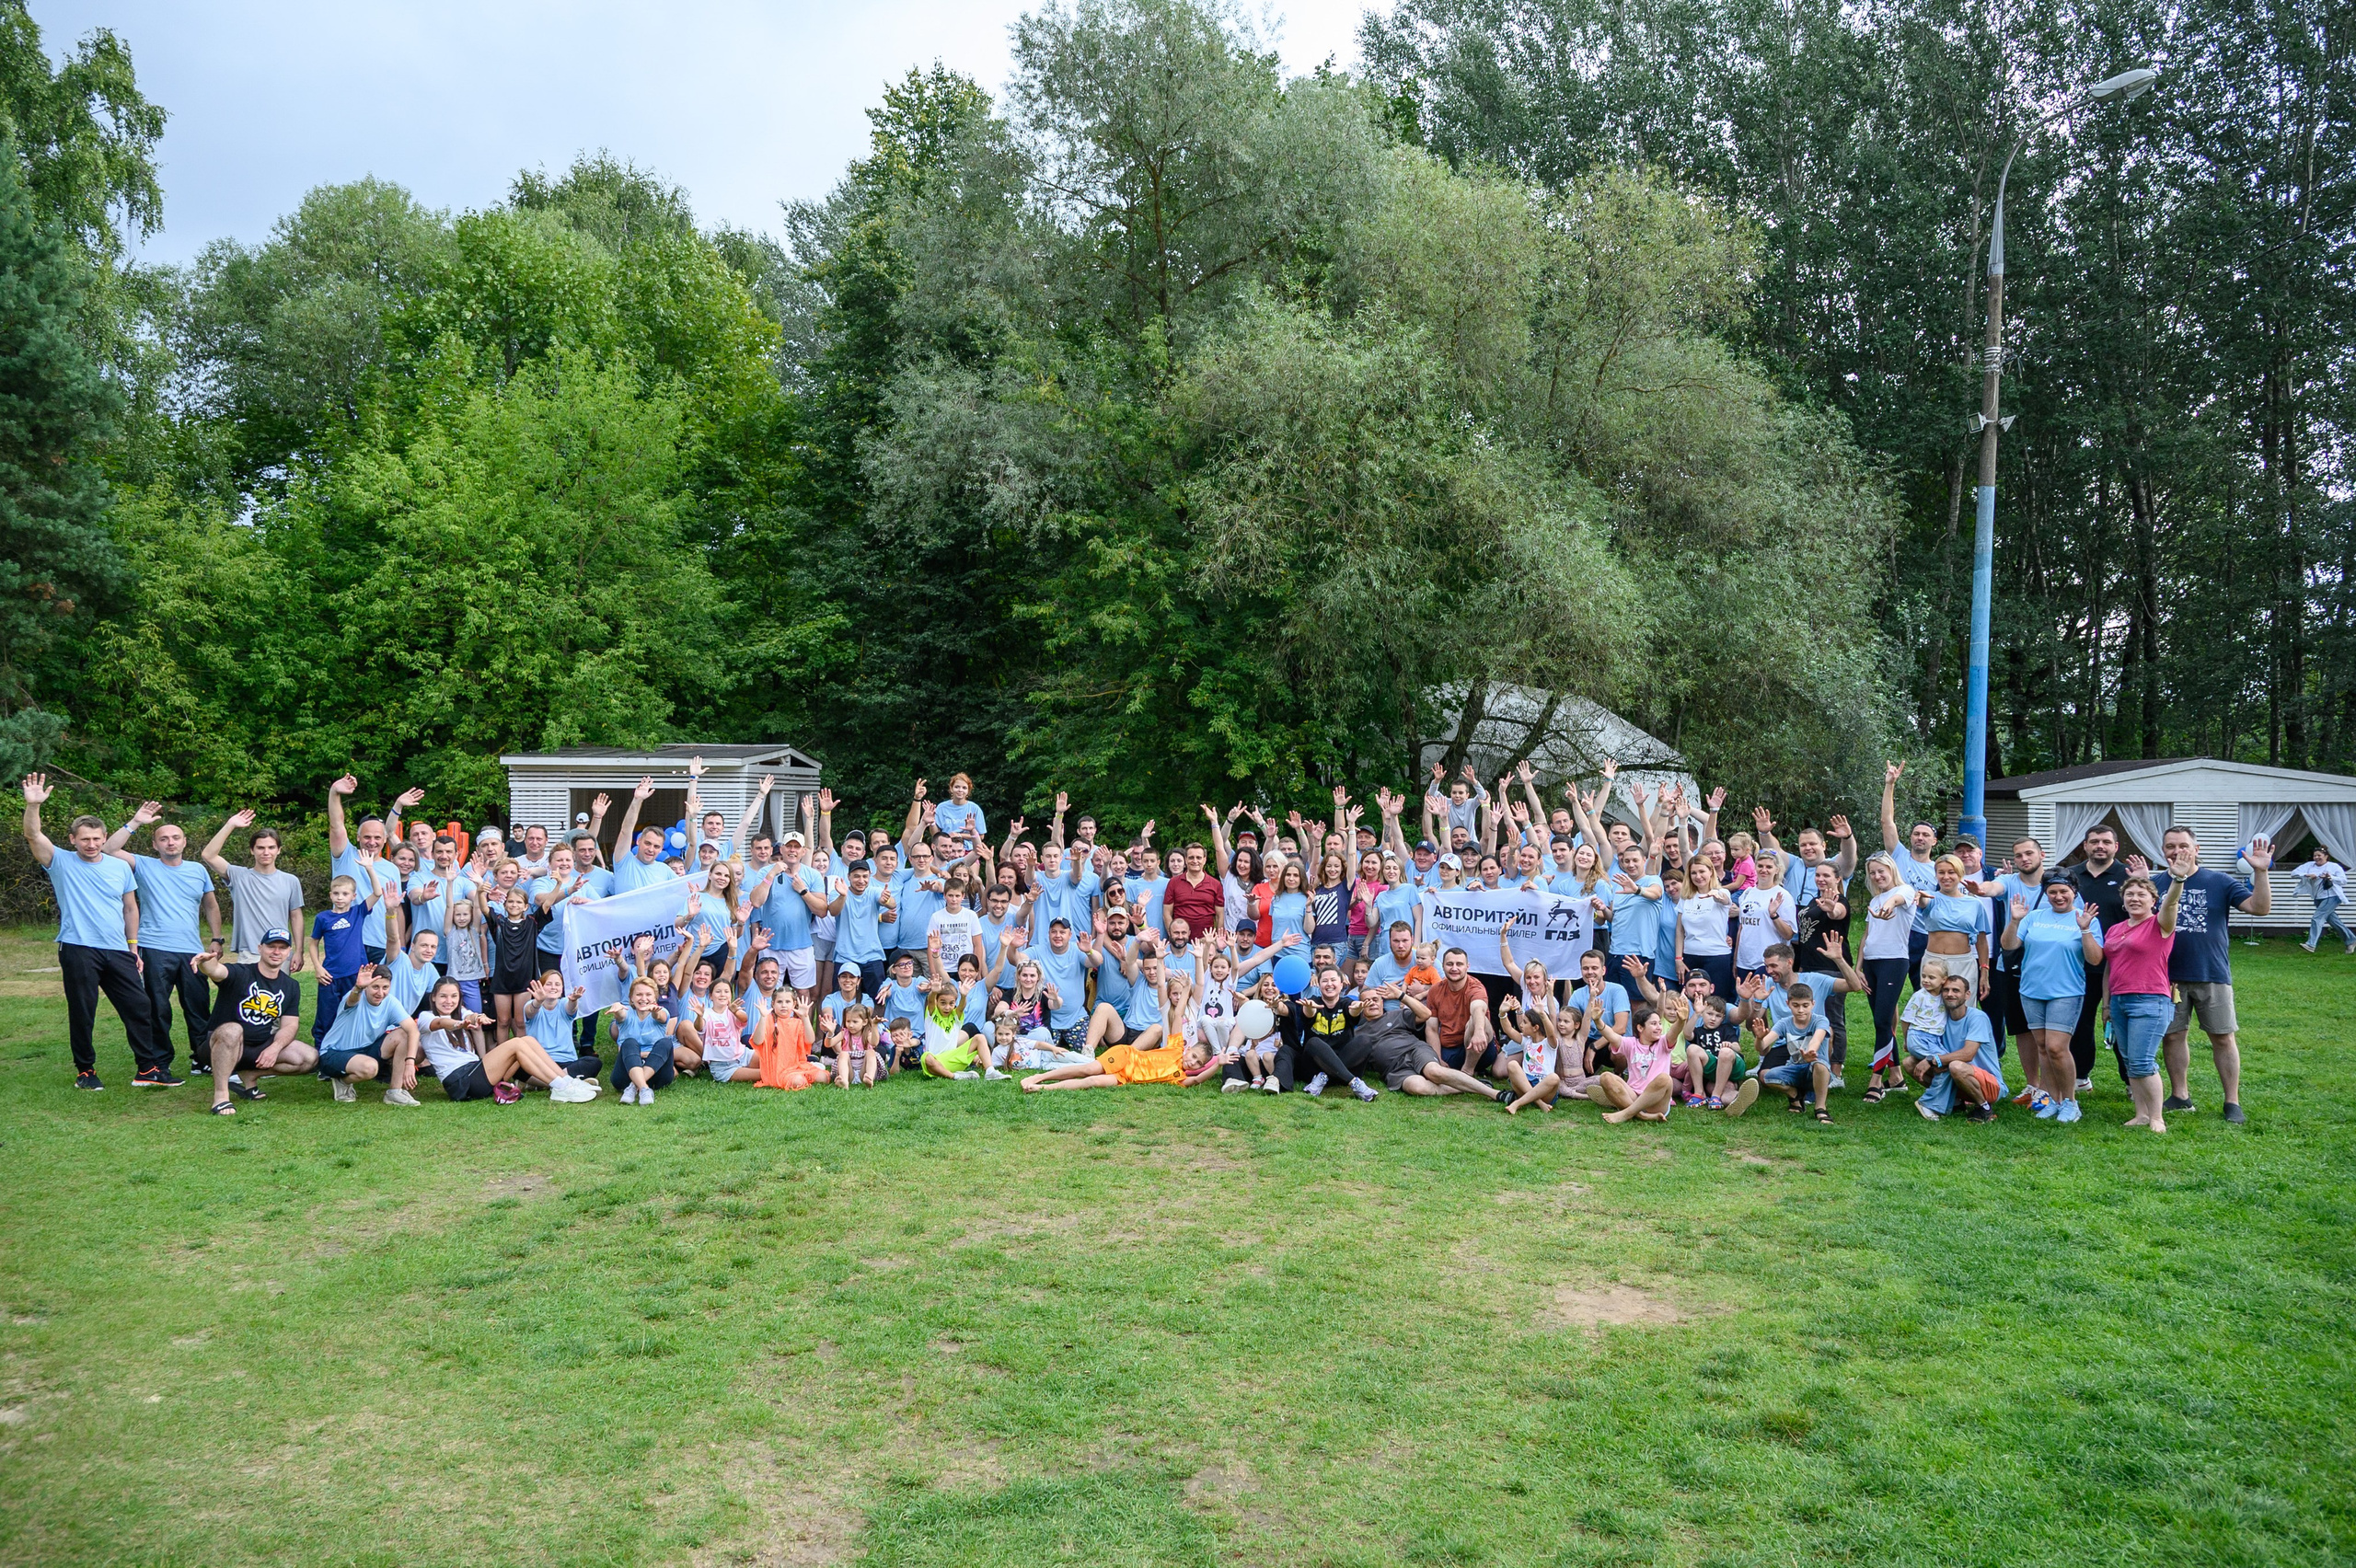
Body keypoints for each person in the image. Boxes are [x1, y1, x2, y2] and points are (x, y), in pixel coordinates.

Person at [22, 775, 174, 1090]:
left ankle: (146, 1070)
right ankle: (86, 1072)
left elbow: (130, 908)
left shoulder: (119, 867)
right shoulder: (60, 861)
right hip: (78, 947)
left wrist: (133, 947)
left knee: (139, 1005)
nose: (91, 844)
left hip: (118, 949)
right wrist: (33, 805)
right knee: (83, 1010)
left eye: (96, 839)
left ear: (105, 838)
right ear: (73, 839)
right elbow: (33, 834)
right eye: (84, 839)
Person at [2150, 827, 2270, 1125]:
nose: (2177, 851)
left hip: (2211, 972)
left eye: (2183, 845)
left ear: (2197, 848)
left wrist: (2261, 873)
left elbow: (2260, 908)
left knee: (2222, 1037)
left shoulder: (2219, 881)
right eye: (2170, 846)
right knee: (2173, 1035)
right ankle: (2180, 1096)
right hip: (2167, 976)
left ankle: (2232, 1101)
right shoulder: (2155, 884)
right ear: (2163, 850)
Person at [104, 800, 222, 1076]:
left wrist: (217, 939)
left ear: (184, 842)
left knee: (198, 1008)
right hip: (154, 948)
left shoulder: (198, 870)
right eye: (164, 839)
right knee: (157, 1009)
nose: (170, 843)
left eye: (176, 838)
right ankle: (160, 1061)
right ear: (155, 845)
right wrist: (135, 822)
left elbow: (211, 905)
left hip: (192, 951)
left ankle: (202, 1058)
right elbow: (109, 849)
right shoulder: (143, 866)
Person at [2000, 875, 2103, 1124]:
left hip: (2066, 992)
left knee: (2057, 1048)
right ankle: (2053, 1100)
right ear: (2046, 893)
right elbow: (2009, 945)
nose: (2058, 896)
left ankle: (2070, 1102)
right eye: (2053, 892)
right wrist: (2015, 921)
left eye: (2064, 891)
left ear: (2074, 892)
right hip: (2031, 990)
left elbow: (2095, 959)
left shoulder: (2084, 918)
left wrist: (2085, 928)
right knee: (2044, 1048)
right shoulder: (2034, 917)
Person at [191, 929, 310, 1114]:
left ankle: (250, 1075)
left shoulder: (290, 986)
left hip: (257, 1048)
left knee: (308, 1057)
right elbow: (216, 971)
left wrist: (275, 1048)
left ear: (289, 952)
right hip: (220, 1046)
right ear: (260, 948)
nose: (276, 952)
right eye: (271, 947)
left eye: (282, 948)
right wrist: (207, 961)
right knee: (232, 1030)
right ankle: (221, 1096)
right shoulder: (241, 973)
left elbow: (290, 1025)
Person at [2064, 824, 2131, 1090]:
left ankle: (2131, 1080)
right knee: (2080, 1022)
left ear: (2115, 846)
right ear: (2085, 846)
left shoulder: (2127, 874)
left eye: (2106, 841)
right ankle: (2080, 1076)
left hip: (2121, 964)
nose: (2099, 846)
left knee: (2122, 1022)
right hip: (2080, 964)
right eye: (2094, 842)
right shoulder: (2071, 875)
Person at [199, 808, 306, 965]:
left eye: (271, 848)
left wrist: (299, 951)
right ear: (252, 850)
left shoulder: (291, 881)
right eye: (260, 848)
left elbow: (296, 916)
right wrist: (230, 825)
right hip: (249, 953)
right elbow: (208, 855)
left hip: (280, 952)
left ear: (279, 850)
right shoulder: (239, 876)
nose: (266, 852)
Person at [314, 963, 423, 1105]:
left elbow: (412, 1030)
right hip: (334, 1053)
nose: (380, 993)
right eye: (375, 987)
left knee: (404, 1034)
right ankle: (342, 1082)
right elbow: (352, 1000)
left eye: (385, 987)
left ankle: (395, 1092)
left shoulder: (390, 1002)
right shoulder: (355, 996)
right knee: (370, 1068)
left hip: (366, 1050)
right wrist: (358, 988)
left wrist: (410, 1063)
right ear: (366, 986)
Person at [1855, 854, 1916, 1101]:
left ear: (1891, 870)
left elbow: (1896, 900)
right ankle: (1897, 1077)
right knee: (1881, 1019)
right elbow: (1866, 935)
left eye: (1882, 871)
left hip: (1894, 962)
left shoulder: (1905, 891)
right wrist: (1857, 968)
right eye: (1872, 873)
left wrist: (1889, 904)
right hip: (1870, 964)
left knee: (1883, 1021)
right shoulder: (1875, 899)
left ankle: (1876, 1081)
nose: (1877, 876)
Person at [1906, 972, 2004, 1124]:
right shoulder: (1940, 1020)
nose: (1950, 994)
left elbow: (1967, 1054)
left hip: (1988, 1085)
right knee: (1909, 1063)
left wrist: (1932, 1059)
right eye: (1946, 990)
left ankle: (1985, 1109)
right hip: (1958, 1080)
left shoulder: (1977, 1017)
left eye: (1956, 990)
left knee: (1956, 1066)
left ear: (1967, 995)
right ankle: (1956, 1102)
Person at [1877, 761, 1942, 985]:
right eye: (1916, 834)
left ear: (1934, 841)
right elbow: (1887, 821)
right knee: (1888, 990)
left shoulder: (1939, 870)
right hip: (1892, 929)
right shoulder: (1899, 854)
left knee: (1922, 987)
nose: (1920, 838)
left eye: (1925, 835)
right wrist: (1890, 784)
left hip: (1921, 936)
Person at [1588, 997, 1684, 1124]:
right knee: (1605, 1076)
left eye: (1659, 1023)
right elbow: (1611, 1036)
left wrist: (1681, 1021)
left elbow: (1674, 1032)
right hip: (1633, 1095)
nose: (1659, 1028)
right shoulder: (1631, 1043)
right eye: (1654, 1024)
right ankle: (1642, 1116)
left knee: (1665, 1079)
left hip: (1656, 1104)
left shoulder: (1664, 1042)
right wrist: (1598, 1021)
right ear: (1640, 1028)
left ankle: (1625, 1111)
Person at [1755, 986, 1833, 1124]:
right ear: (1788, 1004)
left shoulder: (1820, 1020)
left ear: (1813, 1004)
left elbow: (1817, 1038)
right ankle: (1795, 1095)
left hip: (1816, 1069)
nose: (1801, 1010)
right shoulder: (1784, 1023)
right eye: (1795, 1005)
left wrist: (1810, 1052)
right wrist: (1760, 1038)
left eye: (1805, 1005)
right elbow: (1761, 1046)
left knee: (1819, 1064)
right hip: (1795, 1068)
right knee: (1768, 1077)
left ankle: (1820, 1108)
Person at [606, 976, 683, 1104]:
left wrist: (654, 1012)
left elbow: (660, 1017)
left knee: (666, 1043)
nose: (643, 999)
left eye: (648, 994)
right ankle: (644, 1088)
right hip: (625, 1074)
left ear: (655, 997)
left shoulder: (661, 1011)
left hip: (657, 1075)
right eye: (639, 994)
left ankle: (634, 1086)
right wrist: (617, 1009)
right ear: (631, 998)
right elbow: (620, 1015)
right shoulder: (626, 1012)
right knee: (629, 1042)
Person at [2293, 846, 2353, 952]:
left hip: (2332, 896)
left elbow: (2344, 880)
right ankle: (2351, 940)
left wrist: (2330, 877)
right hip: (2318, 898)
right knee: (2334, 921)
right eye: (2314, 855)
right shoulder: (2309, 866)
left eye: (2319, 855)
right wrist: (2307, 875)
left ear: (2326, 856)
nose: (2316, 857)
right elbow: (2293, 873)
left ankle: (2311, 945)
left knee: (2317, 918)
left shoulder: (2333, 867)